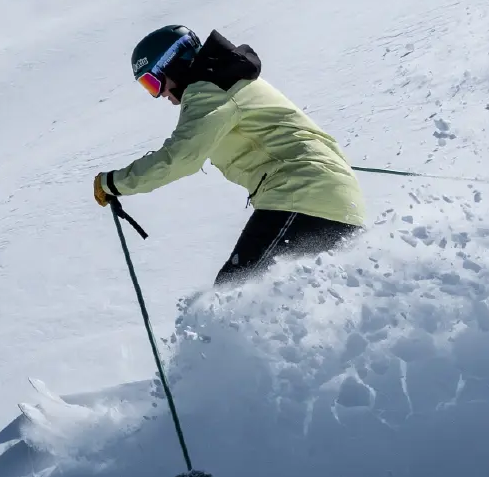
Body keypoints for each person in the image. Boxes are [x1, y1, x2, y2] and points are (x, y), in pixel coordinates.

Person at [93, 26, 365, 284]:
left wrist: (113, 183)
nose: (160, 95)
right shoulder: (229, 80)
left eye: (153, 83)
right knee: (282, 306)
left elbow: (180, 157)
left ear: (172, 63)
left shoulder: (209, 89)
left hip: (300, 194)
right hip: (335, 199)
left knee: (233, 298)